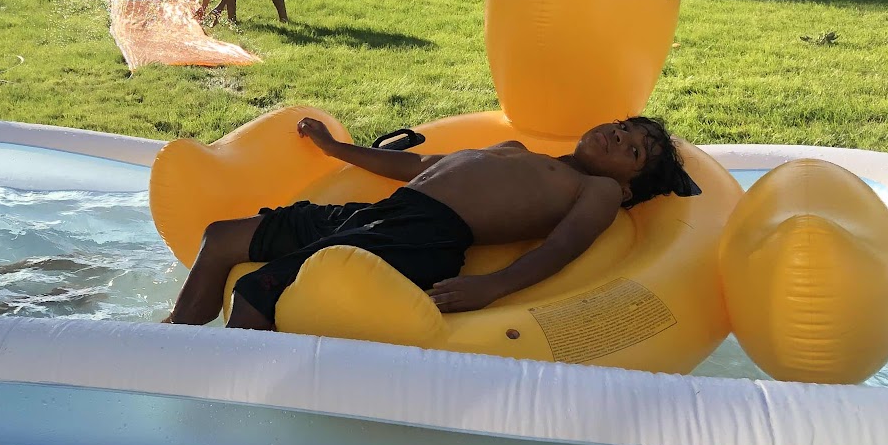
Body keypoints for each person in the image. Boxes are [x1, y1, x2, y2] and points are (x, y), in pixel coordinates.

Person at [165, 113, 698, 332]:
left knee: (259, 292)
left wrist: (493, 285)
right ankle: (173, 336)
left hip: (423, 236)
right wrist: (336, 149)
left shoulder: (597, 191)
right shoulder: (518, 151)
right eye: (623, 128)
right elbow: (419, 164)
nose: (618, 137)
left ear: (627, 188)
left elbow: (564, 245)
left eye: (632, 150)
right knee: (221, 237)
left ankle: (216, 400)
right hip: (382, 215)